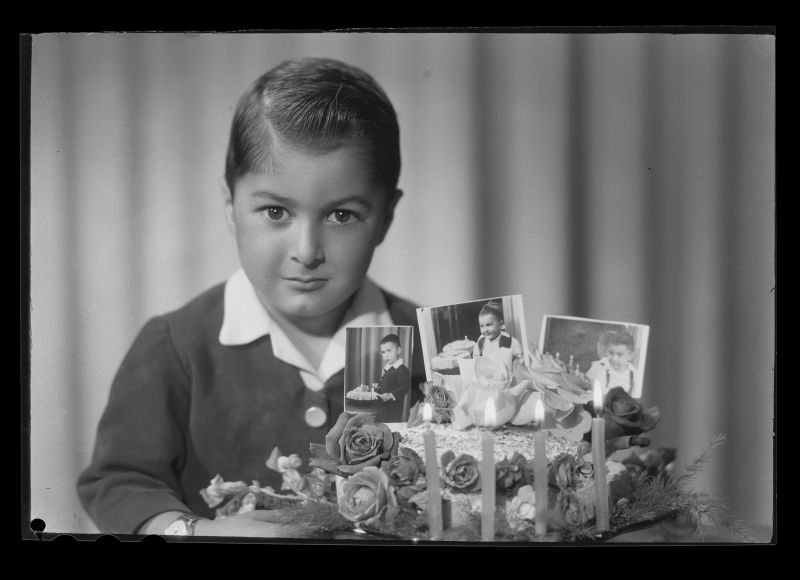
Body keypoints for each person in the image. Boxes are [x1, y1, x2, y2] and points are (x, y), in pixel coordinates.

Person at [76, 58, 425, 538]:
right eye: (276, 211)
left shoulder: (430, 348)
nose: (307, 251)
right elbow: (118, 480)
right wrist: (195, 533)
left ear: (386, 217)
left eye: (342, 215)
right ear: (230, 206)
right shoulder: (175, 345)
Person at [471, 300, 523, 378]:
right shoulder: (481, 341)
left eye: (489, 325)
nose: (485, 330)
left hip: (506, 378)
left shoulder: (510, 341)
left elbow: (520, 361)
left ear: (501, 325)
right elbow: (475, 358)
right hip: (487, 377)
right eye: (482, 326)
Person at [585, 330, 639, 397]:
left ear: (630, 356)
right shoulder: (604, 372)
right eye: (611, 353)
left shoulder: (635, 377)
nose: (614, 358)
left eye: (619, 355)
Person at [374, 333, 411, 422]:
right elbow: (386, 383)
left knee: (390, 426)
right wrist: (378, 386)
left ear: (398, 350)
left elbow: (405, 387)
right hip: (382, 408)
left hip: (393, 410)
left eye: (389, 351)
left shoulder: (403, 369)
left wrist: (391, 395)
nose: (386, 355)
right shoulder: (387, 368)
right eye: (383, 352)